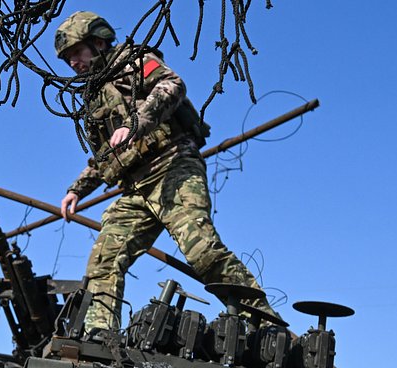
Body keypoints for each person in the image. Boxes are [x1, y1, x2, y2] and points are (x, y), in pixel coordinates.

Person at [55, 11, 283, 333]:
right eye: (67, 60)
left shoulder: (130, 62)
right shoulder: (93, 96)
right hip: (136, 189)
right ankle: (99, 335)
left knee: (201, 250)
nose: (73, 64)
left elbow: (172, 85)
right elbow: (106, 155)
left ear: (98, 41)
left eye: (76, 53)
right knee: (104, 261)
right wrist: (77, 189)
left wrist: (137, 122)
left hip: (173, 166)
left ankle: (265, 325)